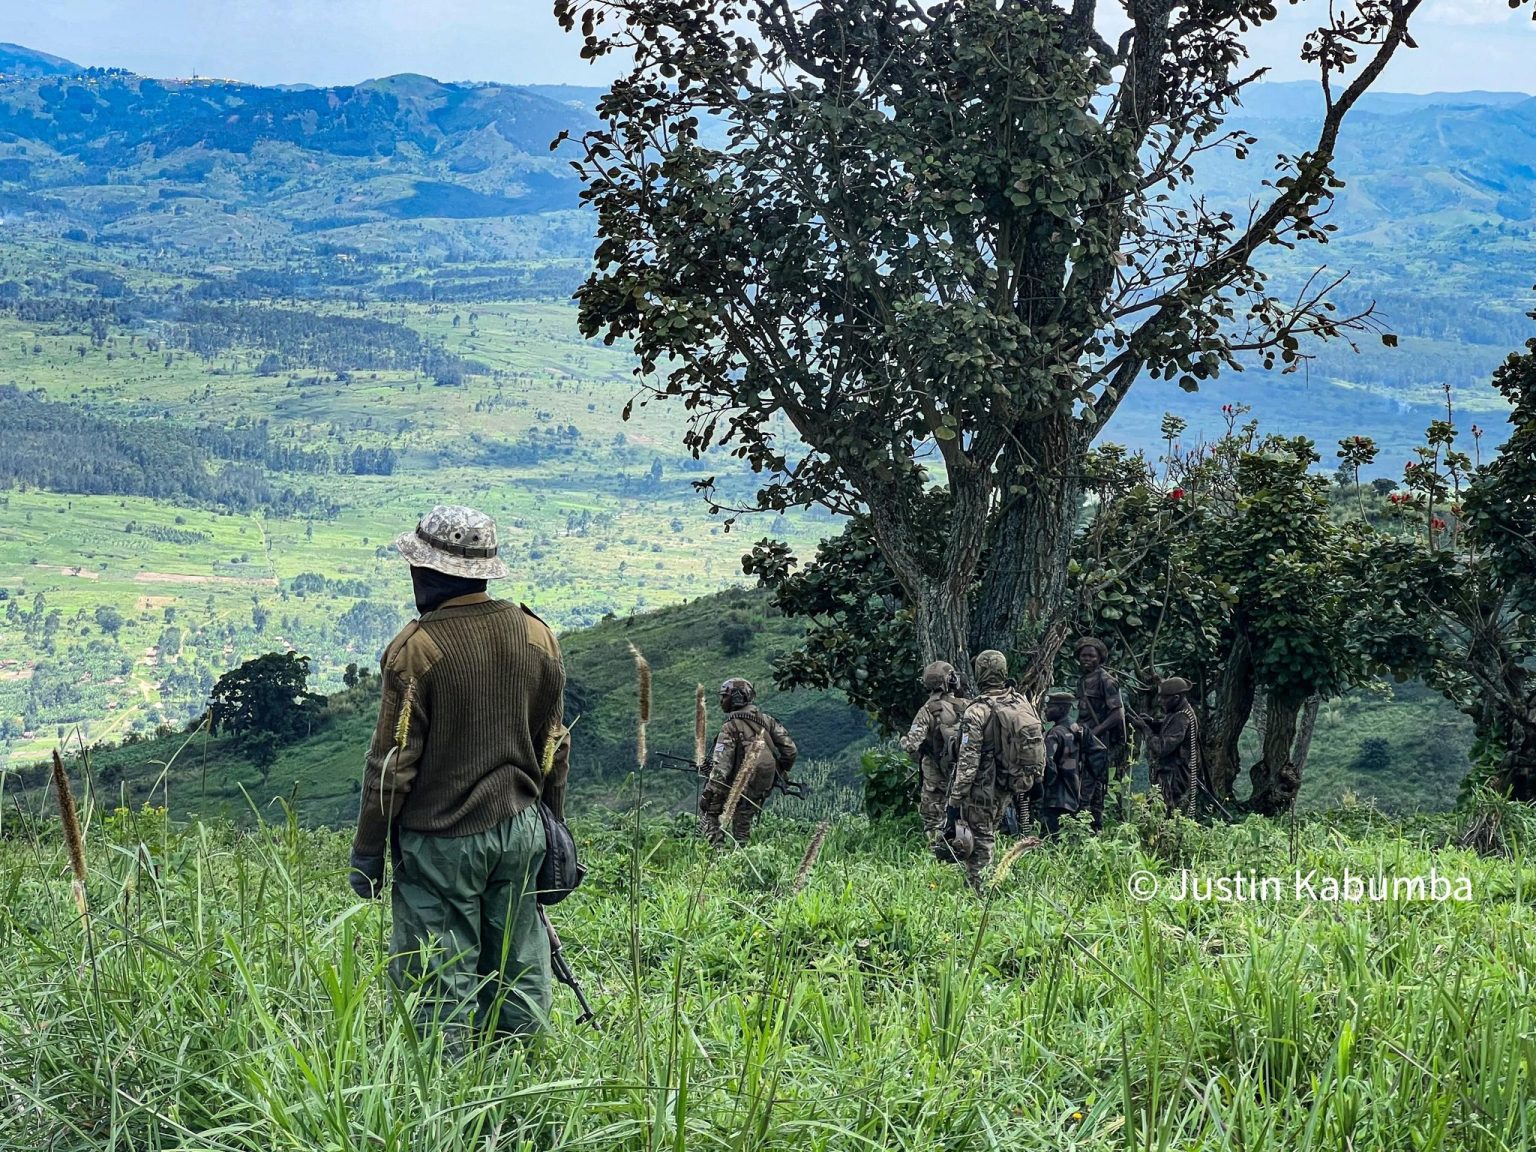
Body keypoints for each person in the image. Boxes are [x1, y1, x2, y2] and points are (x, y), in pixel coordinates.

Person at [347, 504, 571, 1053]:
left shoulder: (416, 650)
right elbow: (554, 747)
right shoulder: (536, 635)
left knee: (439, 981)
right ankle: (524, 1093)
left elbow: (390, 768)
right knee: (520, 968)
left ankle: (444, 1102)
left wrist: (368, 853)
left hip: (441, 840)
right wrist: (554, 828)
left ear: (430, 572)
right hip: (520, 828)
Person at [943, 650, 1045, 891]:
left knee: (981, 841)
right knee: (995, 831)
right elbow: (1038, 740)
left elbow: (968, 761)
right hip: (1011, 781)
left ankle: (983, 893)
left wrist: (955, 800)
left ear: (979, 674)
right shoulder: (1021, 702)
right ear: (1003, 672)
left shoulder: (976, 711)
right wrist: (1037, 778)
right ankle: (1000, 883)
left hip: (984, 786)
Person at [699, 677, 797, 846]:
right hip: (759, 787)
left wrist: (708, 795)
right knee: (743, 826)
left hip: (735, 785)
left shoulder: (730, 727)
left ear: (735, 697)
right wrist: (778, 773)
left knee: (710, 818)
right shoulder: (767, 721)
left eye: (724, 696)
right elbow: (790, 751)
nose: (722, 700)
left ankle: (717, 859)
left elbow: (721, 770)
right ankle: (742, 858)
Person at [898, 661, 967, 840]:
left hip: (935, 774)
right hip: (963, 773)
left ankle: (937, 857)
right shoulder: (966, 705)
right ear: (951, 680)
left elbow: (912, 744)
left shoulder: (927, 710)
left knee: (934, 822)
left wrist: (903, 741)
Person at [1074, 637, 1127, 831]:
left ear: (1100, 658)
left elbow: (1118, 714)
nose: (1086, 659)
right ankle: (1089, 829)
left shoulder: (1106, 680)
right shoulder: (1082, 681)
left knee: (1090, 786)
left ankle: (1090, 829)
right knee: (1086, 784)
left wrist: (1094, 732)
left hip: (1098, 743)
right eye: (1083, 655)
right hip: (1086, 742)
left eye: (1091, 656)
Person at [1129, 676, 1199, 817]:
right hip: (1172, 776)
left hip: (1174, 778)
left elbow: (1162, 748)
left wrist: (1145, 729)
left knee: (1165, 816)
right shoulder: (1178, 712)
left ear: (1176, 698)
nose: (1160, 701)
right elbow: (1169, 729)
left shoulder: (1182, 717)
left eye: (1164, 698)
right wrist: (1152, 723)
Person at [1037, 691, 1084, 839]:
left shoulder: (1055, 734)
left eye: (1051, 707)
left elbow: (1048, 764)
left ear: (1062, 709)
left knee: (1050, 841)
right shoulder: (1077, 730)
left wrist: (1042, 788)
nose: (1046, 710)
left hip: (1055, 798)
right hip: (1074, 794)